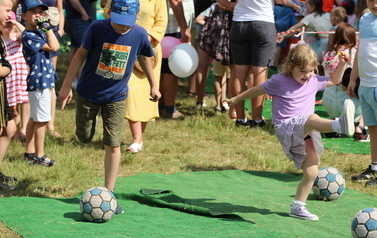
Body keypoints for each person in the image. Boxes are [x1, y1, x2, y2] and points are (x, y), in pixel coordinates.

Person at [224, 44, 354, 221]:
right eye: (302, 71)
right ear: (291, 67)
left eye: (310, 70)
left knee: (312, 171)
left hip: (304, 130)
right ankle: (339, 126)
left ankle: (298, 207)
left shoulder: (313, 80)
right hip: (286, 127)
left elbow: (334, 80)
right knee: (311, 118)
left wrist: (342, 63)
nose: (307, 75)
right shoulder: (279, 81)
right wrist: (236, 99)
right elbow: (257, 89)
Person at [58, 0, 161, 211]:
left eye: (127, 22)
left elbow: (144, 58)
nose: (123, 27)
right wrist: (67, 86)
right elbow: (79, 55)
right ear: (110, 12)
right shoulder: (98, 28)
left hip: (117, 96)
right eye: (119, 21)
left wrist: (154, 85)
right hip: (88, 93)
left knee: (113, 144)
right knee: (84, 136)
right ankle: (87, 127)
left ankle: (109, 193)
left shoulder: (139, 34)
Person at [216, 0, 300, 129]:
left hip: (240, 22)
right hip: (263, 22)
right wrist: (294, 5)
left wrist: (228, 6)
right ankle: (257, 119)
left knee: (238, 73)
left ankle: (240, 118)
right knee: (260, 73)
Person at [101, 0, 167, 153]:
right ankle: (118, 137)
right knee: (126, 94)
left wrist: (143, 39)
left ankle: (137, 139)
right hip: (120, 45)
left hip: (147, 51)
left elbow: (161, 23)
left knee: (142, 96)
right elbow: (107, 13)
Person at [22, 0, 59, 166]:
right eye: (33, 12)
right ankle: (40, 155)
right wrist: (49, 30)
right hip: (39, 81)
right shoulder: (29, 35)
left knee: (35, 117)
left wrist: (45, 30)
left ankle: (29, 152)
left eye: (41, 12)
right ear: (24, 16)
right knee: (42, 120)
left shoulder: (37, 33)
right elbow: (54, 47)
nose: (38, 15)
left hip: (43, 80)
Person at [321, 22, 368, 141]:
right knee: (366, 99)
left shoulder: (327, 53)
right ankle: (359, 128)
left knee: (333, 114)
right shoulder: (355, 51)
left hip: (328, 98)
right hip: (349, 97)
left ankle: (332, 127)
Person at [348, 0, 377, 186]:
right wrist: (353, 78)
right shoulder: (365, 19)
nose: (375, 4)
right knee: (373, 128)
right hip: (365, 85)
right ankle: (374, 167)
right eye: (371, 0)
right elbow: (360, 51)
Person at [159, 0, 193, 119]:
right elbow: (175, 1)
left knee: (162, 70)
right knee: (171, 70)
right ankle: (169, 109)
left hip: (166, 26)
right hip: (172, 27)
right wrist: (184, 27)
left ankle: (162, 105)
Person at [2, 11, 29, 141]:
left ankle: (23, 129)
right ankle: (16, 132)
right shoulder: (2, 42)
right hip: (9, 80)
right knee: (13, 109)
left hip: (21, 78)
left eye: (10, 23)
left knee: (24, 101)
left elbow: (29, 35)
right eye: (5, 23)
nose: (8, 25)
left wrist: (16, 23)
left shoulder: (18, 37)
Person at [0, 0, 17, 190]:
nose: (9, 14)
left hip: (2, 92)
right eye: (7, 9)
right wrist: (5, 68)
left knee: (9, 128)